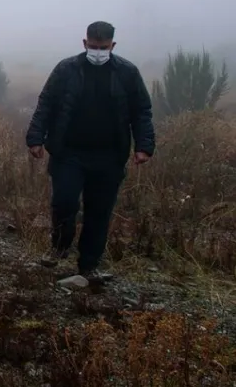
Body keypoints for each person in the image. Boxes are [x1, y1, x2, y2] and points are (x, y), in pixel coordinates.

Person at [26, 21, 155, 284]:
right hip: (68, 152)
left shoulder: (127, 73)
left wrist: (144, 145)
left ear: (112, 46)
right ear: (84, 43)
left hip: (109, 156)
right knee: (64, 202)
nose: (98, 51)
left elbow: (141, 110)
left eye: (103, 47)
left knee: (99, 211)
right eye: (93, 47)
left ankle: (89, 264)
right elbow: (46, 102)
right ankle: (60, 246)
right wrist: (35, 138)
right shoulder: (66, 69)